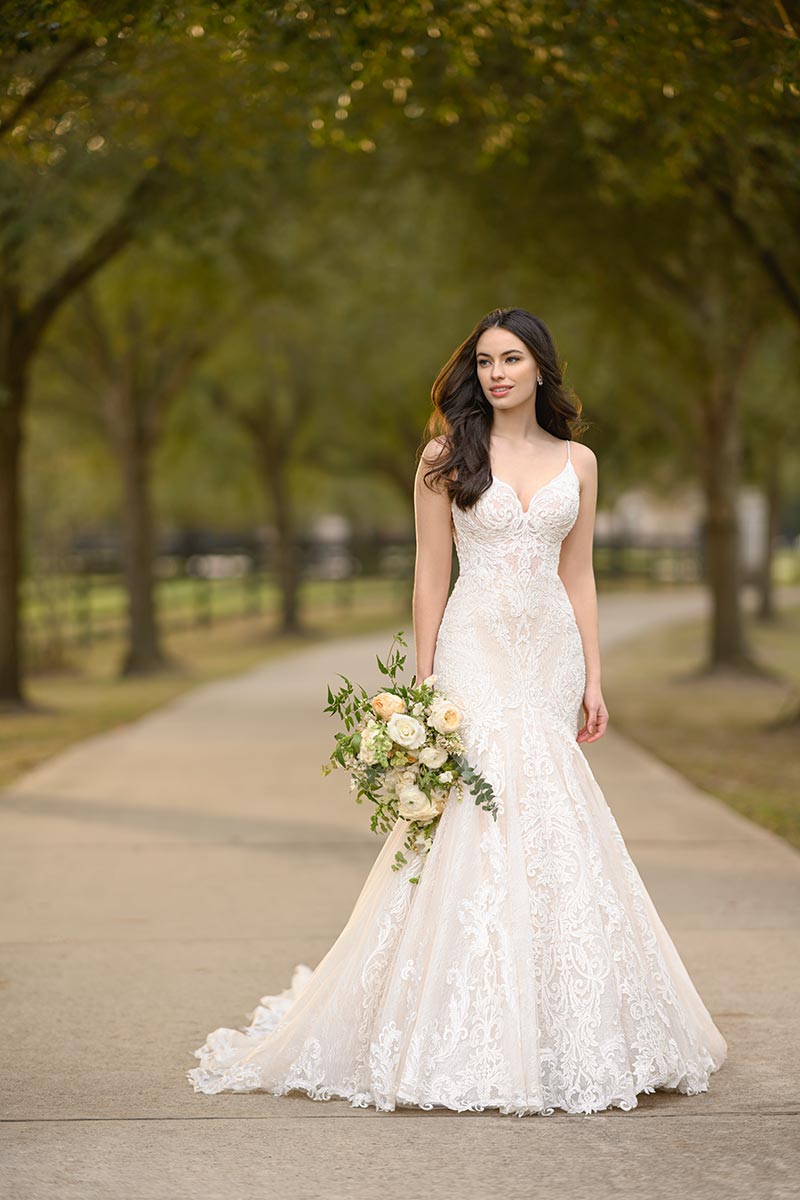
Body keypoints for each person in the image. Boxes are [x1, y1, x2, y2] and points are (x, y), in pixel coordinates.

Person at [187, 306, 727, 1116]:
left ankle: (569, 1022)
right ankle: (451, 1022)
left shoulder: (579, 461)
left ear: (542, 368)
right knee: (477, 813)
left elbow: (577, 575)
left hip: (547, 652)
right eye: (484, 362)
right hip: (475, 649)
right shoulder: (445, 456)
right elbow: (429, 576)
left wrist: (594, 674)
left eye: (512, 359)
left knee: (549, 814)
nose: (497, 373)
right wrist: (425, 679)